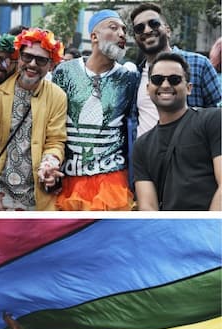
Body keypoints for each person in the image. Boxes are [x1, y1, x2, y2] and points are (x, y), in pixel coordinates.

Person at [52, 9, 138, 211]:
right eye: (113, 27)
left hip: (113, 180)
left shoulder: (129, 78)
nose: (122, 34)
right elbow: (51, 121)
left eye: (124, 30)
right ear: (94, 36)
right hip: (69, 178)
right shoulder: (65, 72)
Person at [0, 28, 66, 211]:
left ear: (51, 65)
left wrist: (49, 166)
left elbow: (55, 140)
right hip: (2, 195)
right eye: (27, 57)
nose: (32, 64)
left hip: (38, 196)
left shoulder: (57, 96)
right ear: (19, 58)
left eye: (41, 60)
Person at [132, 52, 221, 211]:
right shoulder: (142, 146)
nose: (165, 85)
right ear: (148, 88)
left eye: (174, 79)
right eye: (157, 79)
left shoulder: (213, 120)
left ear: (188, 88)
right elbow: (148, 207)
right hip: (171, 233)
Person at [129, 2, 221, 139]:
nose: (147, 30)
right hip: (145, 158)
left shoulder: (199, 64)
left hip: (190, 156)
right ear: (136, 38)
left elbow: (218, 118)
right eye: (139, 28)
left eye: (153, 23)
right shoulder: (134, 77)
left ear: (167, 30)